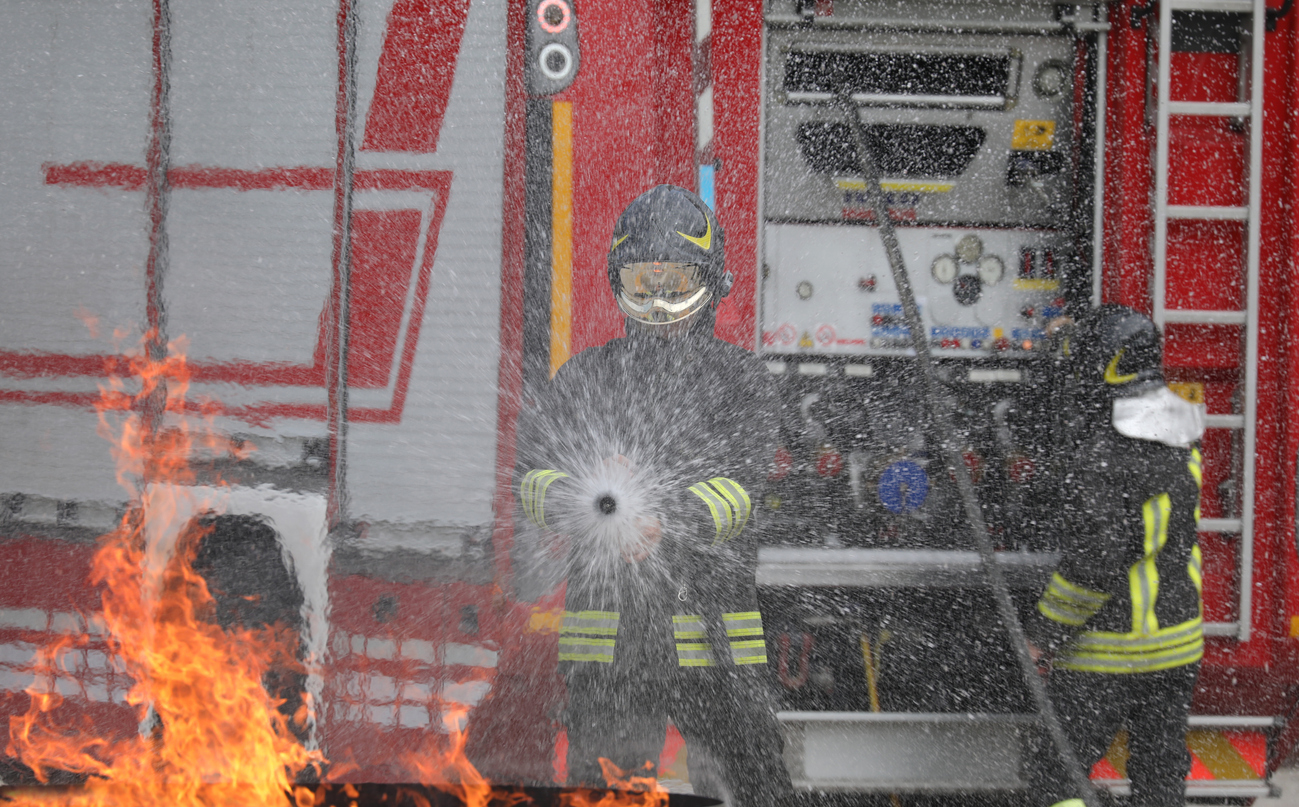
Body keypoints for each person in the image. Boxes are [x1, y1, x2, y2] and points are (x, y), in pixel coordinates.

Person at [512, 185, 793, 807]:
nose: (659, 300)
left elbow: (742, 491)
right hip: (608, 650)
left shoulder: (739, 381)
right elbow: (531, 482)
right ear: (619, 282)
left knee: (752, 792)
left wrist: (667, 519)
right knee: (603, 795)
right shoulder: (585, 377)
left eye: (675, 282)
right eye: (644, 282)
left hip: (716, 646)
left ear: (712, 282)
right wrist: (589, 509)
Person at [1025, 304, 1206, 807]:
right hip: (1176, 644)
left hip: (1108, 650)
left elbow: (1096, 564)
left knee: (1057, 776)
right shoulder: (1180, 435)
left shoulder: (1101, 456)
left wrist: (1045, 634)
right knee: (1159, 772)